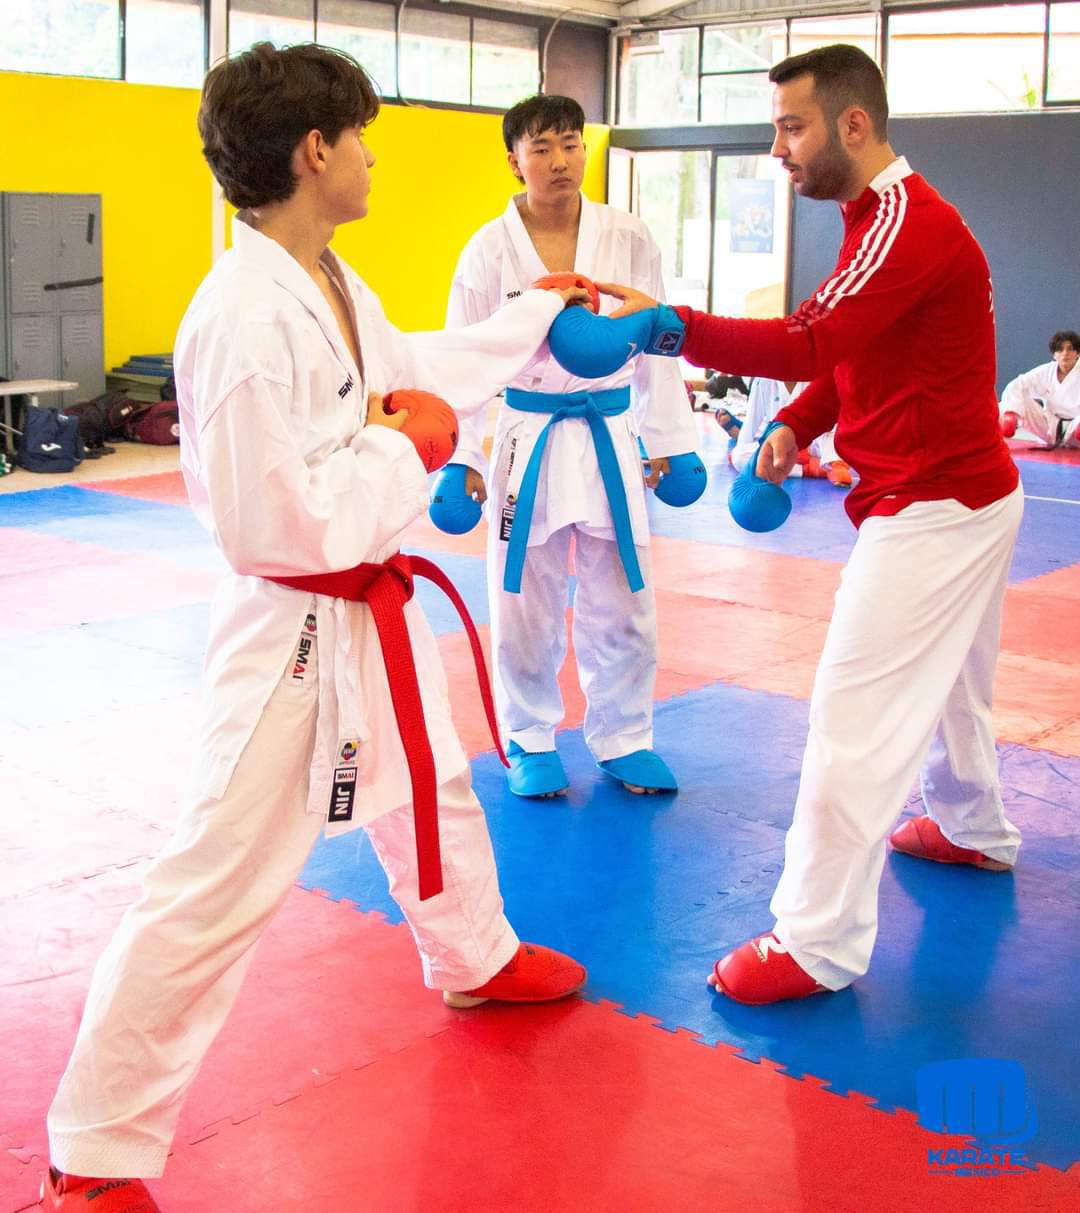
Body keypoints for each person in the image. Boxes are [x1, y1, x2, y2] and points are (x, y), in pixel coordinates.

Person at [41, 44, 590, 1213]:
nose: (376, 156)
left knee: (430, 781)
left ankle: (473, 955)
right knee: (214, 879)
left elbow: (417, 369)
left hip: (365, 605)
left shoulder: (330, 279)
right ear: (315, 151)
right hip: (293, 632)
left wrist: (535, 317)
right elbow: (270, 526)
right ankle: (97, 1144)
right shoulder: (240, 320)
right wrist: (413, 444)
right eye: (365, 138)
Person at [600, 43, 1023, 1005]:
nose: (778, 148)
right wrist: (797, 421)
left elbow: (807, 338)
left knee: (850, 716)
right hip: (968, 492)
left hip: (936, 508)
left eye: (792, 126)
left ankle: (818, 940)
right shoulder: (873, 220)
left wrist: (664, 323)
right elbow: (851, 354)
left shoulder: (906, 223)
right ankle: (973, 826)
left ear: (854, 125)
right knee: (958, 685)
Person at [446, 94, 698, 800]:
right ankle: (529, 738)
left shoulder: (629, 236)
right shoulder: (487, 249)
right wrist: (462, 458)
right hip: (529, 437)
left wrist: (670, 439)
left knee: (625, 594)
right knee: (523, 594)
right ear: (513, 159)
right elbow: (466, 358)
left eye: (570, 144)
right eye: (541, 148)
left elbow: (655, 341)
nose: (560, 161)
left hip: (611, 434)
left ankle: (624, 737)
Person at [729, 377, 852, 486]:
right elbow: (751, 422)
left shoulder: (816, 374)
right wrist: (741, 452)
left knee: (835, 436)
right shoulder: (762, 382)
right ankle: (811, 469)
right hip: (780, 448)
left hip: (815, 444)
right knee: (739, 455)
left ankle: (835, 463)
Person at [999, 329, 1080, 448]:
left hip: (1076, 430)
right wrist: (1011, 413)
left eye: (1070, 349)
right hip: (1050, 429)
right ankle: (1009, 420)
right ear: (1054, 354)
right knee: (1017, 389)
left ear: (1078, 352)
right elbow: (1018, 385)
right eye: (1060, 349)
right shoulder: (1047, 371)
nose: (1065, 353)